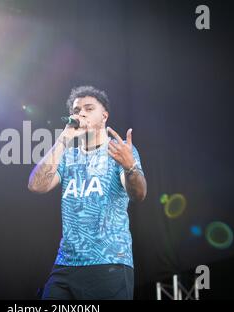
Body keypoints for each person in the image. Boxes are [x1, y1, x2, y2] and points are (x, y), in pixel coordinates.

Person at [28, 85, 147, 300]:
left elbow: (138, 194)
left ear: (104, 115)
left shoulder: (118, 151)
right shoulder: (66, 156)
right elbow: (37, 186)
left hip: (109, 262)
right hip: (66, 264)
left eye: (89, 108)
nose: (81, 113)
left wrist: (130, 167)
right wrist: (63, 140)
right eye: (76, 110)